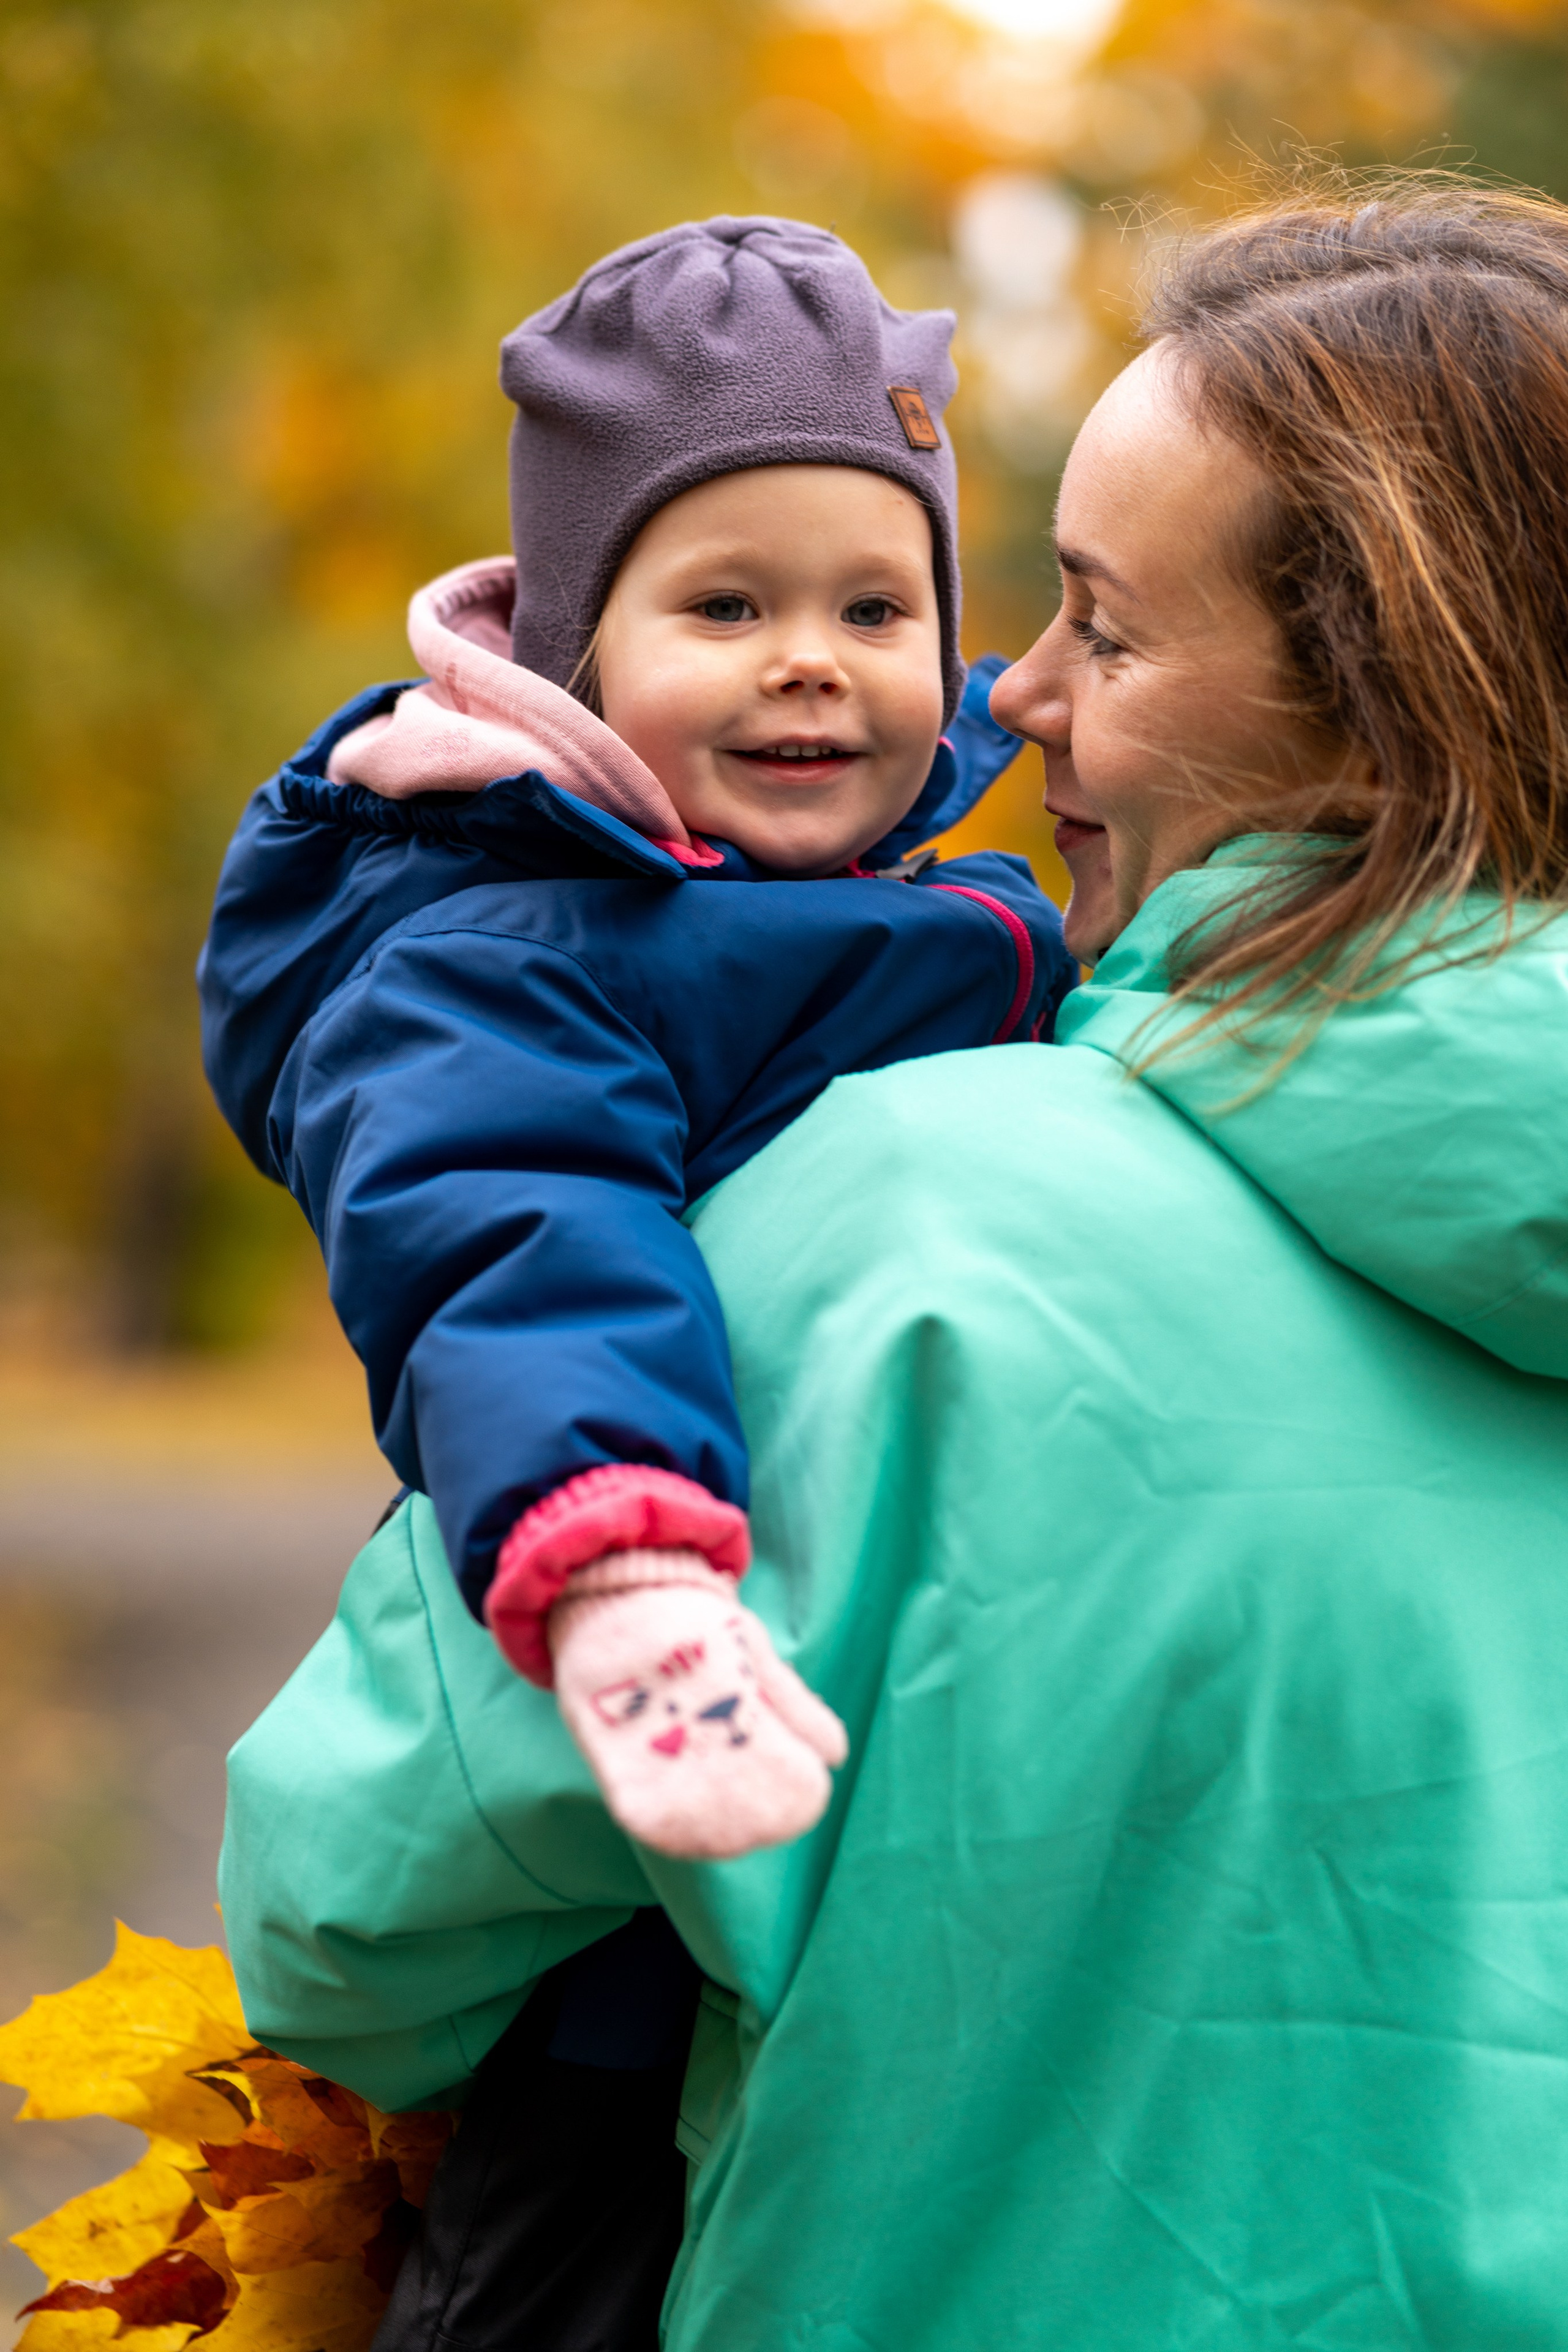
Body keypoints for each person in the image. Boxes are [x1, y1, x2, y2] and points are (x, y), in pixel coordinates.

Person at [229, 176, 1568, 2345]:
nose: (1008, 694)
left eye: (1106, 631)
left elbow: (348, 1917)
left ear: (1383, 715)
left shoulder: (895, 1228)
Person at [203, 216, 1071, 2348]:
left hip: (870, 1804)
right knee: (564, 2270)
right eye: (728, 605)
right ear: (572, 656)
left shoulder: (950, 917)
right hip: (627, 1767)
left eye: (879, 608)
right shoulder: (508, 945)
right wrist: (624, 1573)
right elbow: (511, 1233)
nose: (813, 659)